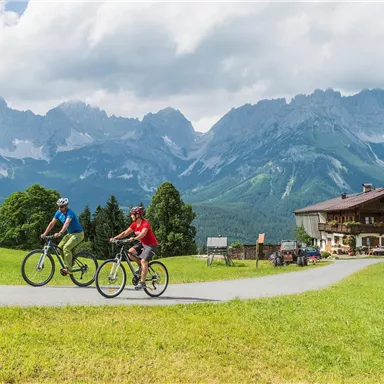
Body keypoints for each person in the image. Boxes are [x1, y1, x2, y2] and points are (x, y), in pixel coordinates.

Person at [110, 206, 158, 290]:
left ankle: (142, 282)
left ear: (138, 215)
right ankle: (140, 267)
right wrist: (115, 238)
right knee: (130, 252)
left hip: (151, 245)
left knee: (144, 261)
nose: (131, 216)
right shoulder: (134, 224)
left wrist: (134, 238)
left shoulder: (145, 223)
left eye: (132, 214)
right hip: (143, 243)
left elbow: (143, 234)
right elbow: (125, 233)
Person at [41, 197, 84, 275]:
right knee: (59, 248)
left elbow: (66, 223)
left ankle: (68, 268)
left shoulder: (70, 212)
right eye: (59, 206)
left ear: (66, 206)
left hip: (78, 234)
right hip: (70, 234)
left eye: (61, 206)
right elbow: (52, 223)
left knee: (66, 248)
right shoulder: (58, 212)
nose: (60, 208)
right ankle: (68, 264)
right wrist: (45, 233)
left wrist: (60, 233)